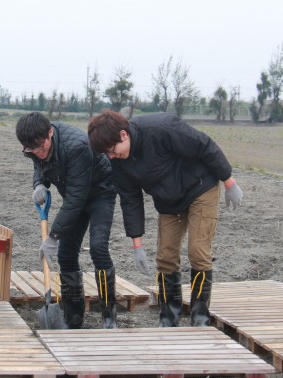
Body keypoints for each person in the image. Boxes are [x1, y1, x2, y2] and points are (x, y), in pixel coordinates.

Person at [87, 110, 243, 328]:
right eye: (107, 155)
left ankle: (200, 316)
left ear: (124, 135)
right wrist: (137, 244)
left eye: (112, 151)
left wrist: (228, 181)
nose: (111, 157)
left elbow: (204, 145)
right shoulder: (118, 162)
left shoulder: (161, 128)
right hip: (169, 201)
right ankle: (169, 315)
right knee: (165, 257)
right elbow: (130, 200)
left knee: (198, 251)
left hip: (200, 188)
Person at [16, 112, 118, 329]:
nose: (38, 153)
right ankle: (73, 317)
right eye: (31, 150)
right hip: (74, 196)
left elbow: (76, 199)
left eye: (41, 148)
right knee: (66, 254)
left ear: (50, 133)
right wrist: (39, 184)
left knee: (98, 249)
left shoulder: (77, 147)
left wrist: (53, 236)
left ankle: (109, 317)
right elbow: (40, 166)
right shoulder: (34, 145)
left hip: (100, 194)